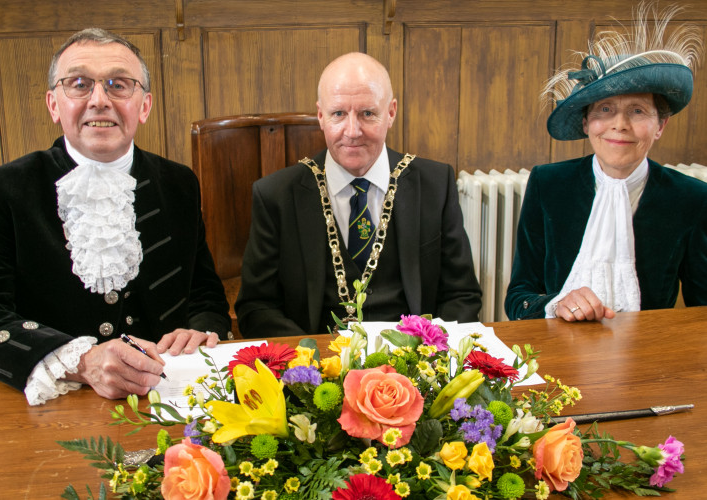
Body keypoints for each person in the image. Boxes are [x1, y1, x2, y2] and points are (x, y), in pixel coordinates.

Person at [0, 28, 231, 404]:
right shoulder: (4, 188)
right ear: (54, 104)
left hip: (167, 396)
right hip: (54, 404)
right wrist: (80, 362)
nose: (99, 100)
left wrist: (199, 330)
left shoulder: (179, 182)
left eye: (119, 85)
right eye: (79, 84)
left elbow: (205, 295)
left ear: (144, 106)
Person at [236, 52, 481, 337]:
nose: (352, 132)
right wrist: (311, 362)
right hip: (316, 370)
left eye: (367, 113)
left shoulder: (436, 185)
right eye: (338, 114)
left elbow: (462, 296)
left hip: (414, 366)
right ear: (320, 116)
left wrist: (426, 358)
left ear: (390, 112)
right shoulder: (275, 195)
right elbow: (256, 307)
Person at [505, 3, 707, 322]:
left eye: (638, 111)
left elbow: (702, 309)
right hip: (556, 351)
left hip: (647, 356)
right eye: (605, 110)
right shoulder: (548, 184)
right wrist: (556, 303)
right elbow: (518, 298)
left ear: (660, 126)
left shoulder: (692, 198)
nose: (620, 124)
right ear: (586, 123)